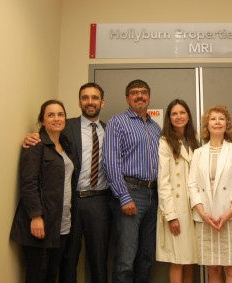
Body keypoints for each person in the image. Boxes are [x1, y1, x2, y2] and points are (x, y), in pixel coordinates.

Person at [22, 83, 111, 283]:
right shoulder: (65, 126)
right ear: (79, 101)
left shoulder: (111, 130)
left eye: (95, 98)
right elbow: (46, 140)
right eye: (85, 97)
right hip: (72, 202)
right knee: (67, 258)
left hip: (99, 200)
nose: (90, 102)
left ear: (102, 102)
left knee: (99, 257)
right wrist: (32, 137)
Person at [103, 79, 161, 283]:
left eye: (144, 92)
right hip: (130, 193)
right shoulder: (117, 122)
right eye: (134, 92)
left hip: (153, 197)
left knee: (146, 257)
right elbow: (110, 162)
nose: (140, 96)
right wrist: (124, 197)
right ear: (127, 97)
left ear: (149, 97)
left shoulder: (156, 128)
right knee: (126, 258)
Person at [11, 100, 74, 283]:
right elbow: (28, 183)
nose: (56, 118)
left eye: (60, 114)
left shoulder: (65, 146)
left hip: (61, 224)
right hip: (41, 224)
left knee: (51, 274)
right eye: (51, 115)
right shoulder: (35, 145)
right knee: (37, 275)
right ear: (42, 120)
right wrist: (36, 216)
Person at [188, 104, 232, 283]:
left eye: (221, 119)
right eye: (213, 119)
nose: (217, 122)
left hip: (231, 216)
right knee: (213, 270)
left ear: (227, 124)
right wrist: (202, 213)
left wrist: (229, 212)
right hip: (205, 218)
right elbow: (192, 185)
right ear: (206, 125)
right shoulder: (198, 153)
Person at [156, 99, 200, 283]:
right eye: (174, 113)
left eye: (182, 112)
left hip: (194, 209)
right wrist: (171, 215)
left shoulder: (194, 140)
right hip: (176, 208)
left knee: (191, 259)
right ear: (169, 118)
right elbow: (163, 182)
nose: (179, 116)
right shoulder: (165, 141)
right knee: (177, 260)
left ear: (188, 115)